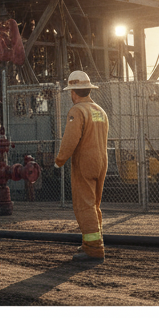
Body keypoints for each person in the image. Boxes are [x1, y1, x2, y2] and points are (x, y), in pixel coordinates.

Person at [54, 70, 109, 262]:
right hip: (101, 161)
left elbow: (70, 139)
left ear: (73, 92)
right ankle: (92, 242)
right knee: (94, 205)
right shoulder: (99, 110)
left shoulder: (77, 111)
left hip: (84, 162)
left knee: (84, 205)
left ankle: (93, 249)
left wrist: (59, 160)